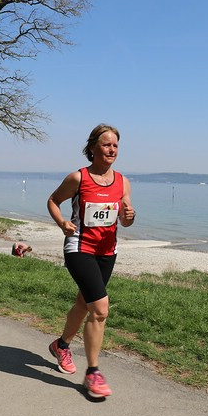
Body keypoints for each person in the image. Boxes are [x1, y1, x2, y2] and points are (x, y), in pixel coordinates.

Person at [46, 124, 135, 398]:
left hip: (108, 251)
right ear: (93, 147)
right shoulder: (78, 178)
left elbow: (125, 218)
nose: (112, 150)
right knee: (100, 308)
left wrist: (129, 217)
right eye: (107, 144)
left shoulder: (123, 181)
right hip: (79, 248)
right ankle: (93, 372)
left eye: (116, 146)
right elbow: (53, 200)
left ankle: (62, 345)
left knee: (84, 303)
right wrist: (62, 222)